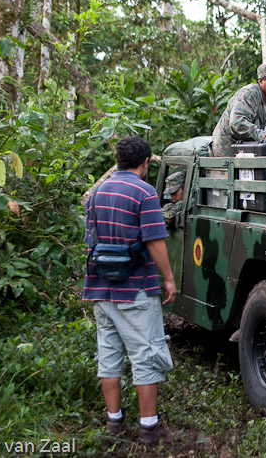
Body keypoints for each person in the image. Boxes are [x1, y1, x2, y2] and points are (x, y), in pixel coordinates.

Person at [83, 136, 177, 445]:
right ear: (146, 162)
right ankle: (149, 427)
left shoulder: (97, 193)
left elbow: (91, 241)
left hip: (99, 287)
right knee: (145, 354)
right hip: (135, 288)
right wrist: (169, 279)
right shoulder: (144, 192)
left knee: (108, 355)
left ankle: (114, 422)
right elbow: (154, 240)